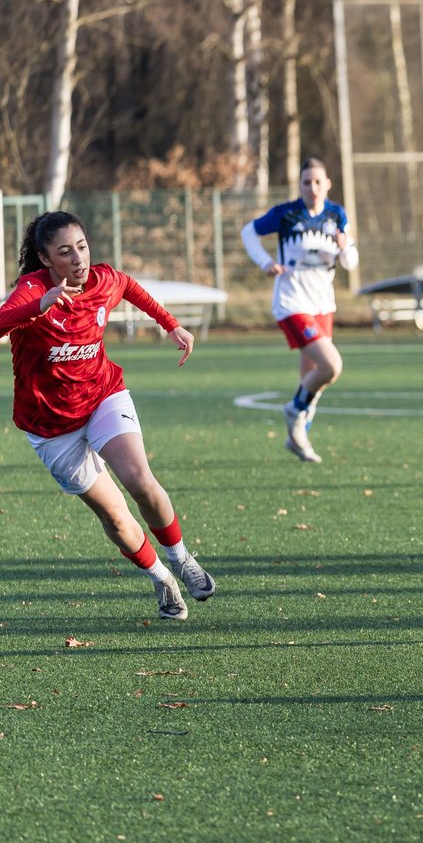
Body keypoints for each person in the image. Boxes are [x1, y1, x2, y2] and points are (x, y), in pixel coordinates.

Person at [0, 211, 216, 621]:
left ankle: (182, 558)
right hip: (51, 428)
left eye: (82, 247)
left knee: (141, 481)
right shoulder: (30, 291)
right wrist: (35, 308)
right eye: (65, 251)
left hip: (102, 397)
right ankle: (161, 578)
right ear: (45, 259)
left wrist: (170, 325)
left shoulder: (101, 281)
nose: (78, 258)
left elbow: (129, 286)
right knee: (115, 516)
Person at [240, 157, 359, 463]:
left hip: (323, 305)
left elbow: (350, 262)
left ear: (328, 184)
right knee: (331, 366)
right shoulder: (286, 214)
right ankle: (294, 411)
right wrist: (266, 262)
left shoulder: (337, 214)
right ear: (300, 186)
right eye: (307, 182)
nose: (313, 188)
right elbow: (248, 232)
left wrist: (345, 247)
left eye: (318, 182)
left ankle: (298, 436)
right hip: (292, 303)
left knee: (314, 377)